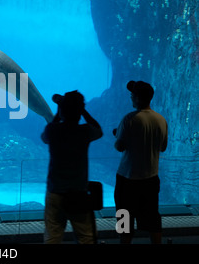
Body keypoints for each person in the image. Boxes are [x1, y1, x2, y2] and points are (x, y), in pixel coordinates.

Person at [41, 91, 103, 244]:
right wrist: (82, 110)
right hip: (78, 193)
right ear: (79, 111)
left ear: (62, 110)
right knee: (86, 237)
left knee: (52, 237)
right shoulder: (84, 131)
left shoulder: (53, 130)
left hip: (55, 192)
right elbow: (98, 130)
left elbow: (46, 135)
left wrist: (59, 109)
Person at [114, 80, 168, 244]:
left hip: (128, 178)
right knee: (152, 217)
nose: (130, 97)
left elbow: (119, 146)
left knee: (124, 216)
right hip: (151, 178)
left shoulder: (129, 119)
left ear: (137, 98)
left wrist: (118, 135)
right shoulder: (161, 120)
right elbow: (163, 147)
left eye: (132, 95)